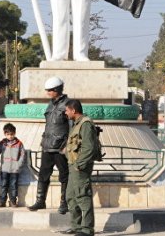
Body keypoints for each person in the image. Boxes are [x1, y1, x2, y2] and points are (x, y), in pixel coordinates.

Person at [28, 76, 71, 214]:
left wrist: (67, 144)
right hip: (47, 145)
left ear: (57, 89)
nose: (48, 93)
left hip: (61, 147)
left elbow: (72, 125)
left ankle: (64, 202)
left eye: (50, 90)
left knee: (64, 175)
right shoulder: (50, 104)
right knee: (43, 174)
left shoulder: (68, 104)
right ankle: (40, 201)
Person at [63, 99, 99, 236]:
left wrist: (80, 165)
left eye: (67, 110)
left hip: (80, 167)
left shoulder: (85, 124)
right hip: (73, 166)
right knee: (71, 197)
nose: (65, 113)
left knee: (83, 196)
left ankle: (87, 229)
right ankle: (76, 227)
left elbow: (89, 148)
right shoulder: (76, 124)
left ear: (73, 110)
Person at [0, 123, 26, 207]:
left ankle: (13, 201)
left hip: (14, 170)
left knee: (13, 185)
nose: (10, 136)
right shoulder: (2, 143)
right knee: (4, 185)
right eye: (8, 134)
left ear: (14, 133)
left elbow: (23, 156)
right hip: (4, 169)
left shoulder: (19, 143)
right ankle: (2, 201)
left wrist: (18, 165)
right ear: (5, 134)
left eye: (12, 134)